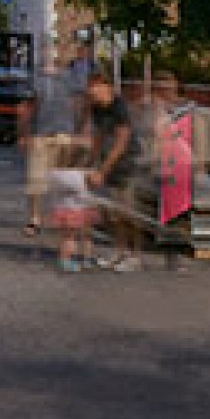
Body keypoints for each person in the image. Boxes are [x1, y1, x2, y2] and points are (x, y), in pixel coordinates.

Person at [81, 68, 143, 271]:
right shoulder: (97, 108)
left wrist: (102, 171)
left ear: (106, 86)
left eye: (94, 88)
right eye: (89, 89)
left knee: (127, 211)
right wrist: (90, 163)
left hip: (128, 162)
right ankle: (119, 251)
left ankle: (135, 256)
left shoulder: (119, 107)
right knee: (112, 213)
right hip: (110, 162)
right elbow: (98, 138)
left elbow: (121, 143)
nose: (91, 93)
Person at [45, 136, 97, 273]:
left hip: (62, 211)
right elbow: (91, 186)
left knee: (66, 237)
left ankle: (65, 260)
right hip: (81, 210)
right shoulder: (81, 174)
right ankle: (85, 259)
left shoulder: (54, 173)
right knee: (85, 237)